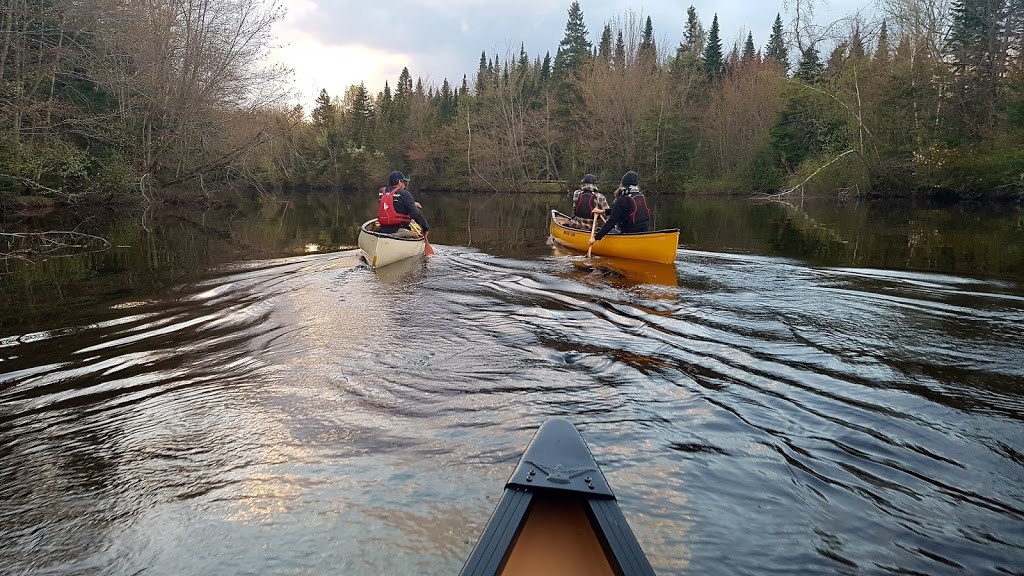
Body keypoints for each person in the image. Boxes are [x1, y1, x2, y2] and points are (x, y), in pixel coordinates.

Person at [589, 170, 649, 247]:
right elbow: (622, 211)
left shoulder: (622, 200)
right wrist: (603, 211)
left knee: (609, 230)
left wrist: (595, 238)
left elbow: (611, 222)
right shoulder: (641, 196)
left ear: (623, 183)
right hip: (644, 232)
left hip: (628, 234)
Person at [377, 170, 429, 238]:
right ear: (399, 182)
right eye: (404, 182)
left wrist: (412, 203)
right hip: (399, 230)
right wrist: (425, 228)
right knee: (415, 236)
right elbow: (415, 213)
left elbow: (393, 203)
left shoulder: (381, 192)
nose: (405, 185)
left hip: (382, 229)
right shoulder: (404, 193)